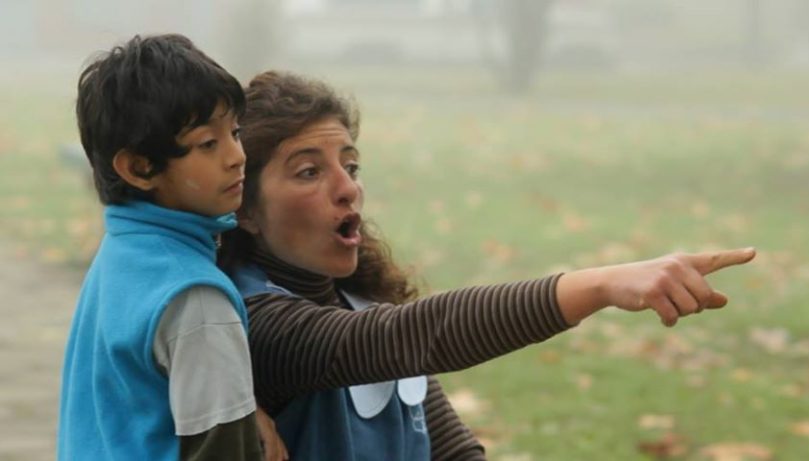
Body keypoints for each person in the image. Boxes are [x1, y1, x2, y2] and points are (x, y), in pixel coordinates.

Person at [218, 71, 756, 460]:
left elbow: (449, 449)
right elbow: (406, 335)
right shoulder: (250, 324)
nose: (348, 188)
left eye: (351, 165)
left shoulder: (364, 298)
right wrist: (601, 285)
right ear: (245, 213)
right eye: (309, 172)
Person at [57, 34, 286, 461]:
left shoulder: (122, 255)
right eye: (207, 144)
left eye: (234, 132)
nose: (237, 156)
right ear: (140, 167)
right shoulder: (196, 300)